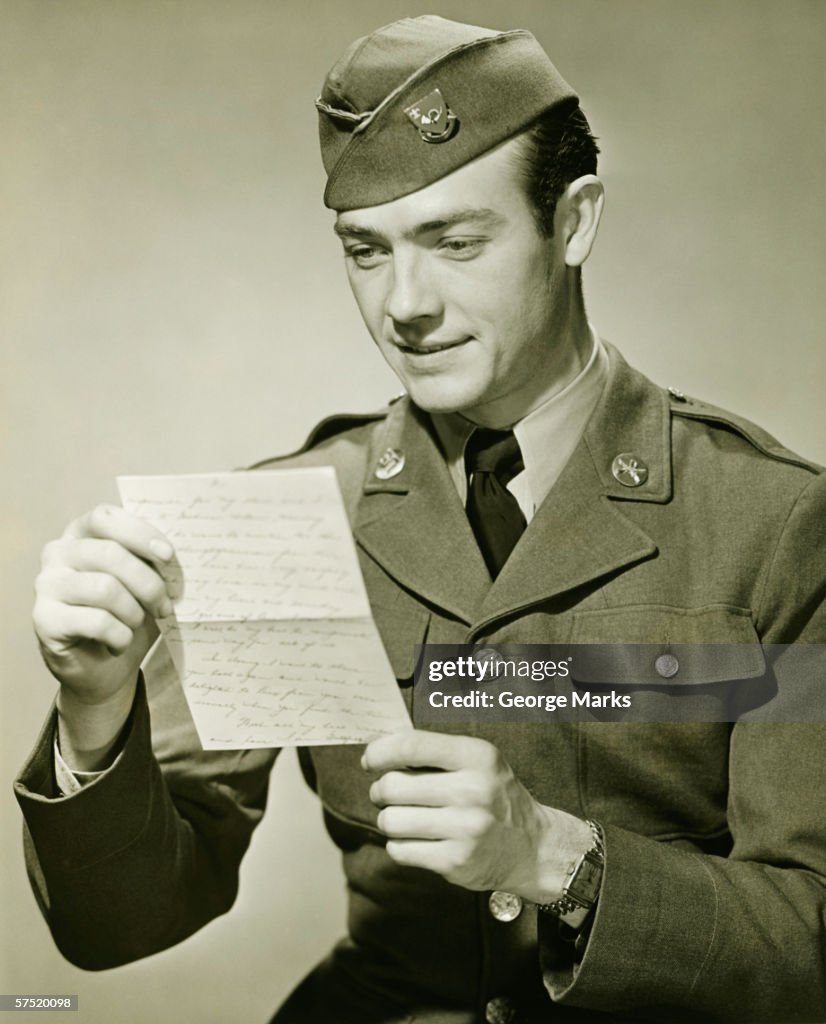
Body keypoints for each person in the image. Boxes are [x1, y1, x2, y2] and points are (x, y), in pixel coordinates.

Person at [14, 15, 826, 1024]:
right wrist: (96, 709)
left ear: (572, 222)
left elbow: (813, 938)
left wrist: (557, 859)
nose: (405, 304)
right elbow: (116, 925)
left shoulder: (774, 520)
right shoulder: (292, 514)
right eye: (366, 249)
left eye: (454, 241)